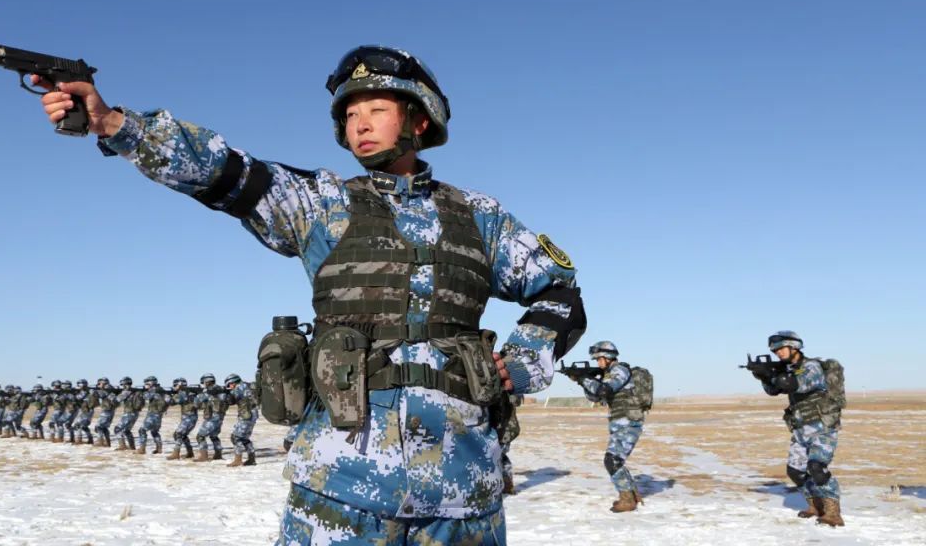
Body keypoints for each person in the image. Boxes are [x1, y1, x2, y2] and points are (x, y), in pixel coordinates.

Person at [33, 45, 585, 544]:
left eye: (375, 110)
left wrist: (525, 356)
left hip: (463, 496)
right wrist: (114, 124)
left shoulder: (479, 216)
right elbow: (223, 170)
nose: (359, 125)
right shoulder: (320, 205)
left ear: (419, 119)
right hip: (339, 491)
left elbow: (560, 292)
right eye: (349, 115)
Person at [754, 331, 845, 527]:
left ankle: (833, 513)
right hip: (801, 428)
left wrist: (772, 373)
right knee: (795, 471)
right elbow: (774, 390)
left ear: (793, 346)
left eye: (780, 348)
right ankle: (815, 505)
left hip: (822, 426)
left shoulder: (811, 367)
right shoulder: (788, 369)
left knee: (817, 468)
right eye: (775, 350)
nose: (778, 353)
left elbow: (794, 384)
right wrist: (763, 376)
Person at [570, 341, 651, 513]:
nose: (597, 362)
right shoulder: (608, 374)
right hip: (620, 422)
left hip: (628, 420)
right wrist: (581, 381)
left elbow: (604, 391)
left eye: (599, 358)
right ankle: (631, 495)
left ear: (607, 357)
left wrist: (584, 378)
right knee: (615, 460)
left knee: (612, 460)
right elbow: (595, 398)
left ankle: (627, 499)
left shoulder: (619, 371)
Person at [224, 374, 258, 467]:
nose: (229, 386)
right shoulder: (248, 385)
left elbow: (231, 402)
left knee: (235, 437)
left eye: (230, 384)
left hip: (246, 415)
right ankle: (252, 459)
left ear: (234, 382)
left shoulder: (238, 388)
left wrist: (227, 393)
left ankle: (238, 460)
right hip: (253, 413)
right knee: (244, 438)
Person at [193, 374, 228, 462]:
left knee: (200, 436)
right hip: (220, 417)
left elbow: (196, 404)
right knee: (214, 436)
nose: (203, 384)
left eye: (204, 382)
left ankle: (203, 456)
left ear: (207, 381)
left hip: (212, 418)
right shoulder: (221, 390)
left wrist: (197, 395)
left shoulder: (208, 391)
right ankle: (218, 454)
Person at [167, 377, 198, 460]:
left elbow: (171, 402)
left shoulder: (182, 393)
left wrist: (166, 394)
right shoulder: (190, 392)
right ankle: (190, 452)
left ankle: (176, 453)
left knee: (178, 434)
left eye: (175, 385)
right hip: (190, 417)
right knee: (182, 435)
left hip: (189, 417)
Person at [137, 376, 168, 455]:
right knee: (154, 432)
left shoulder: (153, 390)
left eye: (147, 383)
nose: (146, 384)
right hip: (159, 415)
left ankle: (142, 449)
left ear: (151, 383)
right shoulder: (161, 390)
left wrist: (144, 391)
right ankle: (159, 448)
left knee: (142, 430)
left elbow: (146, 397)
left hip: (152, 414)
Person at [113, 376, 144, 451]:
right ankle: (132, 447)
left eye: (122, 384)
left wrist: (114, 393)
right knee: (127, 430)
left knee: (117, 429)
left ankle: (122, 446)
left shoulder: (126, 392)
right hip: (135, 413)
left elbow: (116, 400)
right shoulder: (135, 391)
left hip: (128, 413)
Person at [93, 377, 118, 447]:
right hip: (110, 410)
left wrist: (98, 389)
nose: (98, 384)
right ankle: (107, 442)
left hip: (107, 410)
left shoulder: (106, 389)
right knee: (104, 427)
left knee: (98, 427)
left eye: (99, 383)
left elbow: (101, 395)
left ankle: (100, 441)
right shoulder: (111, 389)